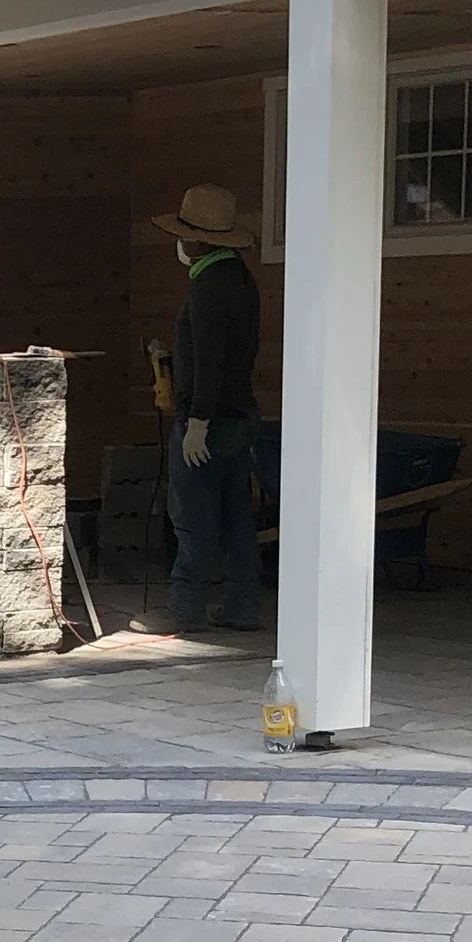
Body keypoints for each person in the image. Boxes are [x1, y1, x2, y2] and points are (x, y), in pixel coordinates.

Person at [151, 180, 263, 636]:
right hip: (241, 417)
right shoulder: (240, 279)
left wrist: (197, 422)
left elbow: (211, 361)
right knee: (237, 516)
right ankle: (242, 605)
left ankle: (186, 607)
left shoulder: (207, 289)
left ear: (197, 240)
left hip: (209, 421)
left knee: (192, 515)